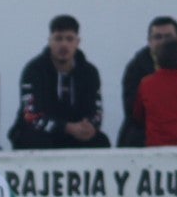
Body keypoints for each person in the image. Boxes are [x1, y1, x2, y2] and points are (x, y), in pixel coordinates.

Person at [7, 14, 110, 149]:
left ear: (77, 42)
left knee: (101, 141)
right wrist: (65, 127)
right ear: (50, 41)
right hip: (41, 132)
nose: (64, 44)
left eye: (69, 39)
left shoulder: (89, 72)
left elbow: (96, 111)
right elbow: (30, 115)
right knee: (33, 139)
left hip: (75, 133)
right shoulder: (34, 71)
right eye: (58, 39)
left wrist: (90, 125)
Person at [118, 16, 177, 148]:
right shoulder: (136, 67)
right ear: (149, 42)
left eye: (168, 37)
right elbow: (132, 110)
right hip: (147, 131)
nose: (163, 42)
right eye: (158, 37)